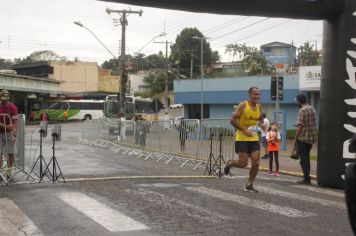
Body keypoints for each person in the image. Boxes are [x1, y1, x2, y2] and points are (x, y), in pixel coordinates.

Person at [224, 87, 265, 193]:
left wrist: (261, 126)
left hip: (254, 138)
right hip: (242, 138)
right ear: (250, 95)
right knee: (243, 164)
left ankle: (249, 184)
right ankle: (230, 163)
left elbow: (260, 120)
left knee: (256, 162)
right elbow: (232, 120)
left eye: (259, 94)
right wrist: (244, 129)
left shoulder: (259, 107)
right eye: (255, 94)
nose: (258, 97)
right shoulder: (243, 105)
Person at [293, 94, 317, 184]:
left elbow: (300, 126)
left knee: (303, 159)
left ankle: (306, 179)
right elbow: (309, 123)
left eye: (296, 101)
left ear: (299, 101)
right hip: (311, 138)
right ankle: (307, 177)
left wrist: (295, 138)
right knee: (307, 158)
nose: (296, 102)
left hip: (302, 138)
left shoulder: (302, 110)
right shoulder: (312, 108)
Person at [0, 90, 18, 181]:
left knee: (11, 153)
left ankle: (9, 173)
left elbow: (15, 121)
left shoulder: (12, 107)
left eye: (6, 100)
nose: (4, 102)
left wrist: (14, 135)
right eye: (3, 100)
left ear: (8, 98)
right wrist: (6, 126)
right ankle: (0, 173)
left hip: (9, 133)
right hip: (0, 132)